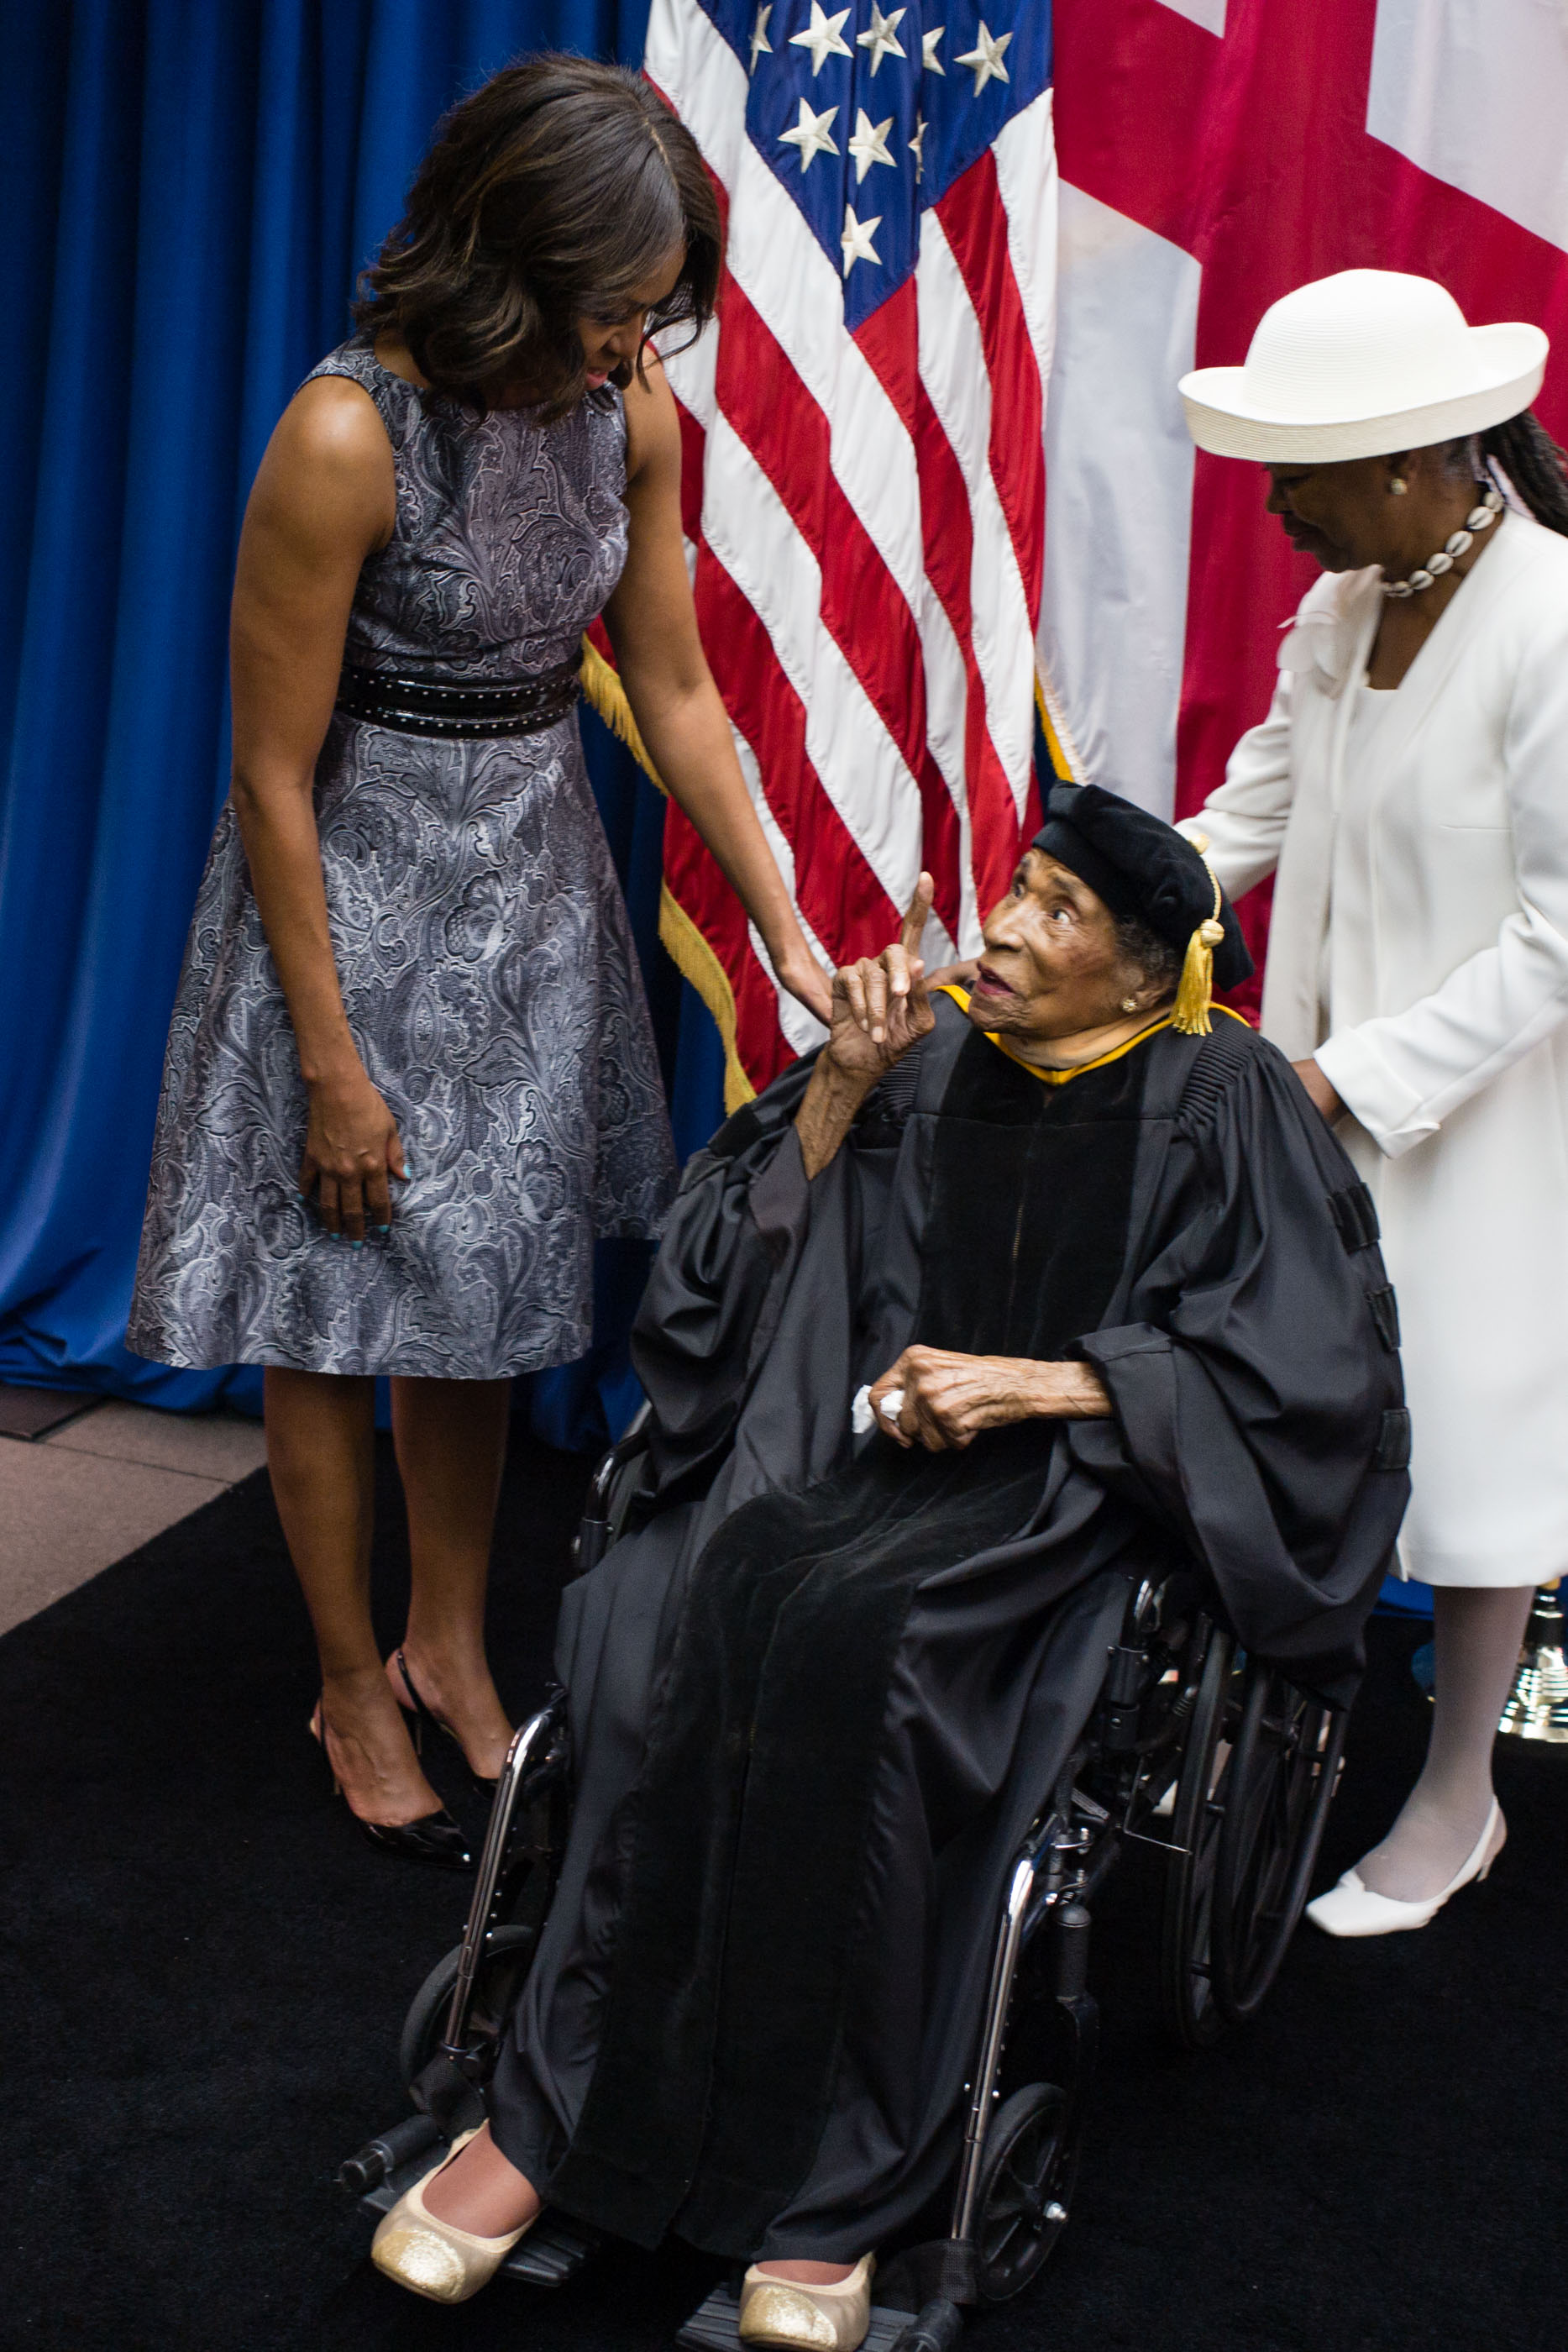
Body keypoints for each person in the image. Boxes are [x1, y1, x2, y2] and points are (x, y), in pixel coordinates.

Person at [367, 784, 1409, 2320]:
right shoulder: (909, 1059)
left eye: (1058, 911)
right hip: (823, 1457)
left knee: (894, 1672)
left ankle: (833, 2189)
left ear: (1146, 973)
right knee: (664, 1618)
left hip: (1058, 1505)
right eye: (1019, 887)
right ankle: (555, 2111)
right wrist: (839, 1090)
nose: (1002, 925)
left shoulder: (1224, 1098)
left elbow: (1311, 1375)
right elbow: (713, 1302)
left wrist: (1061, 1382)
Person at [126, 57, 831, 1866]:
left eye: (651, 309)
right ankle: (348, 1674)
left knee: (487, 1295)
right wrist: (331, 1061)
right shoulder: (346, 435)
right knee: (329, 1297)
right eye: (612, 307)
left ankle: (447, 1636)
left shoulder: (630, 404)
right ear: (511, 266)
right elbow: (271, 779)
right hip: (342, 906)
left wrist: (778, 919)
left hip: (526, 884)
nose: (633, 344)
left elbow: (669, 686)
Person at [1176, 268, 1568, 1936]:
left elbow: (1560, 934)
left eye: (1298, 470)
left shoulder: (1549, 622)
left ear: (1415, 459)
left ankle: (1456, 1788)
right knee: (1291, 1413)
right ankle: (1274, 1727)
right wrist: (1090, 913)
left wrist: (1356, 1072)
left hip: (1481, 1114)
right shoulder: (1341, 605)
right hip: (1308, 1103)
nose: (1268, 502)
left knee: (1476, 1457)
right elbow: (1245, 809)